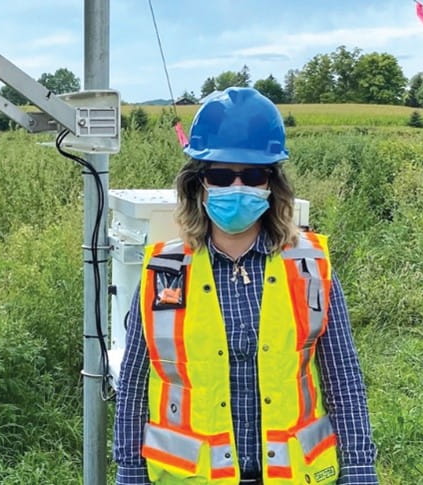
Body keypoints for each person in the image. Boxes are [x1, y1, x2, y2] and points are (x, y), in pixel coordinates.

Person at [113, 87, 378, 485]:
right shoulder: (164, 272)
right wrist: (130, 473)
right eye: (221, 175)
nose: (237, 186)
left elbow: (344, 381)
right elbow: (134, 385)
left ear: (271, 184)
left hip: (294, 475)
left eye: (252, 175)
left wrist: (359, 470)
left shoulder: (309, 267)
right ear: (199, 184)